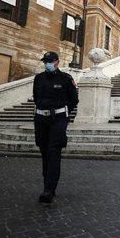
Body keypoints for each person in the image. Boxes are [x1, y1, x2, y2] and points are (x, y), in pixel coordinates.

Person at [33, 51, 79, 203]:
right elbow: (36, 98)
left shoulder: (65, 78)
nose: (47, 63)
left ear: (57, 62)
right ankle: (47, 183)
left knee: (53, 151)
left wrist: (62, 115)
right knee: (44, 151)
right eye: (45, 61)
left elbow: (74, 100)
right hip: (40, 119)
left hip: (58, 119)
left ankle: (49, 190)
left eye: (50, 61)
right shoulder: (38, 78)